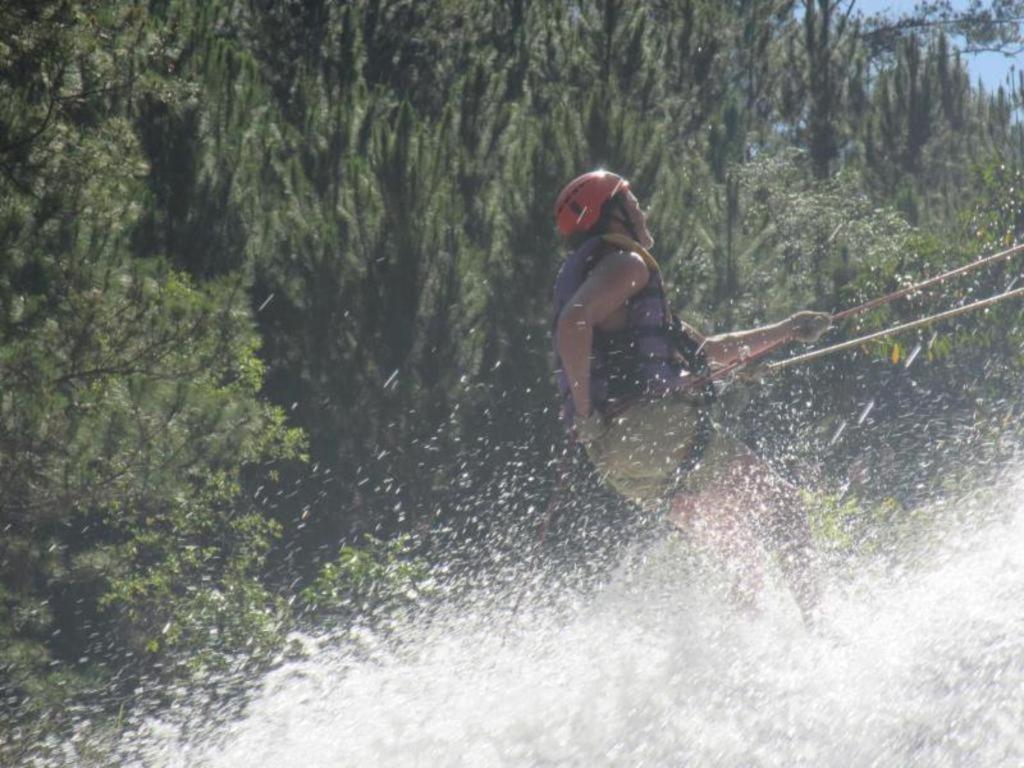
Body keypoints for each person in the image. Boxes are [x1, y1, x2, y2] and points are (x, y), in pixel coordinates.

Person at [552, 170, 831, 623]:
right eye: (632, 201)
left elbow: (710, 352)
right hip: (653, 432)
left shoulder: (604, 279)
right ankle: (822, 628)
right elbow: (573, 324)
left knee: (740, 552)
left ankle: (743, 657)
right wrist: (584, 411)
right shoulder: (628, 266)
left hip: (616, 459)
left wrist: (786, 331)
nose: (642, 210)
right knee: (783, 506)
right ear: (614, 215)